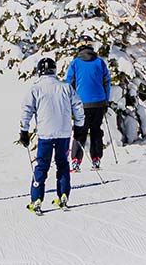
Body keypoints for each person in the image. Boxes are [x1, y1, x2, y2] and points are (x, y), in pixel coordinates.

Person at [20, 57, 85, 213]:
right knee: (62, 163)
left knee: (42, 165)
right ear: (54, 70)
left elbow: (27, 110)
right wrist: (79, 126)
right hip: (64, 132)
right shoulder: (65, 87)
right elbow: (78, 106)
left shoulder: (35, 88)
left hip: (45, 133)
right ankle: (63, 194)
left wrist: (24, 130)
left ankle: (36, 199)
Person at [65, 35, 111, 171]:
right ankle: (96, 159)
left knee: (80, 131)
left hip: (81, 104)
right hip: (99, 102)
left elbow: (69, 84)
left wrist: (70, 103)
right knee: (96, 131)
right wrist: (106, 100)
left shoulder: (75, 63)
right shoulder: (100, 62)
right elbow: (107, 82)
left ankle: (76, 160)